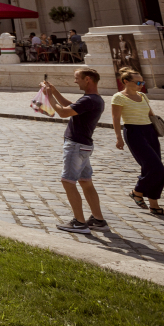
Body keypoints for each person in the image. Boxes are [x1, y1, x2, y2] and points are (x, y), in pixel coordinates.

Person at [42, 68, 109, 234]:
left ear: (87, 79)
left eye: (77, 78)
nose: (75, 81)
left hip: (76, 145)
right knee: (86, 181)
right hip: (84, 145)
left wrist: (49, 97)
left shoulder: (88, 100)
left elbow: (64, 112)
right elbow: (70, 106)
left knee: (67, 181)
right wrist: (55, 91)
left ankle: (79, 222)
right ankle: (98, 220)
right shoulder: (94, 99)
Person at [112, 67, 164, 216]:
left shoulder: (142, 96)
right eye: (138, 82)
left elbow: (151, 114)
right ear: (126, 82)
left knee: (152, 169)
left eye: (142, 81)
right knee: (157, 168)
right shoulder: (118, 97)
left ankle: (154, 205)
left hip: (150, 132)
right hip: (134, 133)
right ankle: (137, 191)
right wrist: (118, 138)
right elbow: (115, 119)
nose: (141, 84)